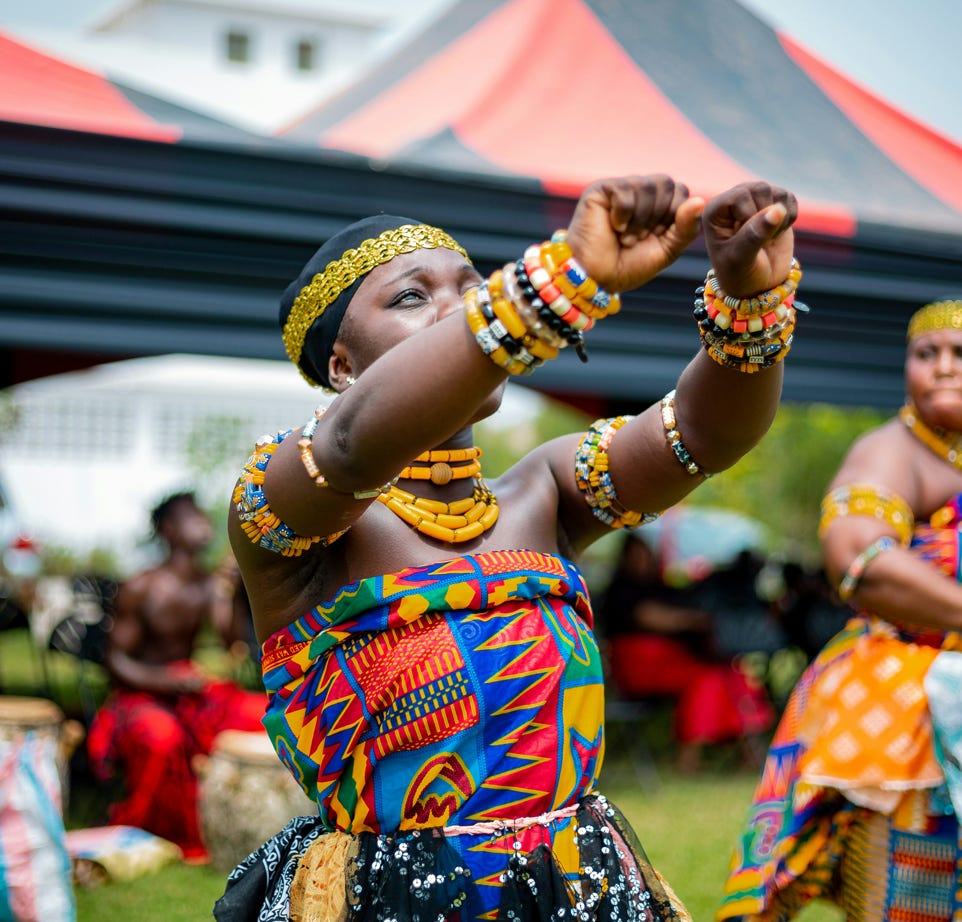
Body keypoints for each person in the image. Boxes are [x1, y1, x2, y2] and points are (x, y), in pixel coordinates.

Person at [214, 173, 802, 922]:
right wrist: (559, 281)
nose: (457, 309)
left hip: (576, 884)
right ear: (340, 366)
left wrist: (749, 301)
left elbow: (701, 436)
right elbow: (354, 443)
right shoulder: (289, 502)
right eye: (410, 297)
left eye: (470, 287)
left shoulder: (546, 491)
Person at [718, 299, 962, 921]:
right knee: (908, 893)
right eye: (926, 354)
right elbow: (860, 557)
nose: (942, 368)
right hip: (902, 698)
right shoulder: (893, 450)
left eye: (960, 354)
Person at [87, 491, 267, 864]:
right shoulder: (142, 586)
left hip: (187, 691)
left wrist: (231, 593)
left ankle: (257, 821)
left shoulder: (208, 584)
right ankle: (152, 830)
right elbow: (115, 662)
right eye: (193, 517)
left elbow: (231, 642)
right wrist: (169, 682)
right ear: (169, 530)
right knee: (161, 736)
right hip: (141, 695)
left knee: (260, 712)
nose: (204, 522)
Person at [598, 533, 774, 773]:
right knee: (704, 678)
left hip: (671, 660)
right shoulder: (621, 590)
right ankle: (689, 758)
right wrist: (695, 620)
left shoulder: (660, 586)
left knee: (730, 673)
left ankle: (748, 753)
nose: (643, 559)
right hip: (639, 666)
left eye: (647, 553)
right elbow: (650, 617)